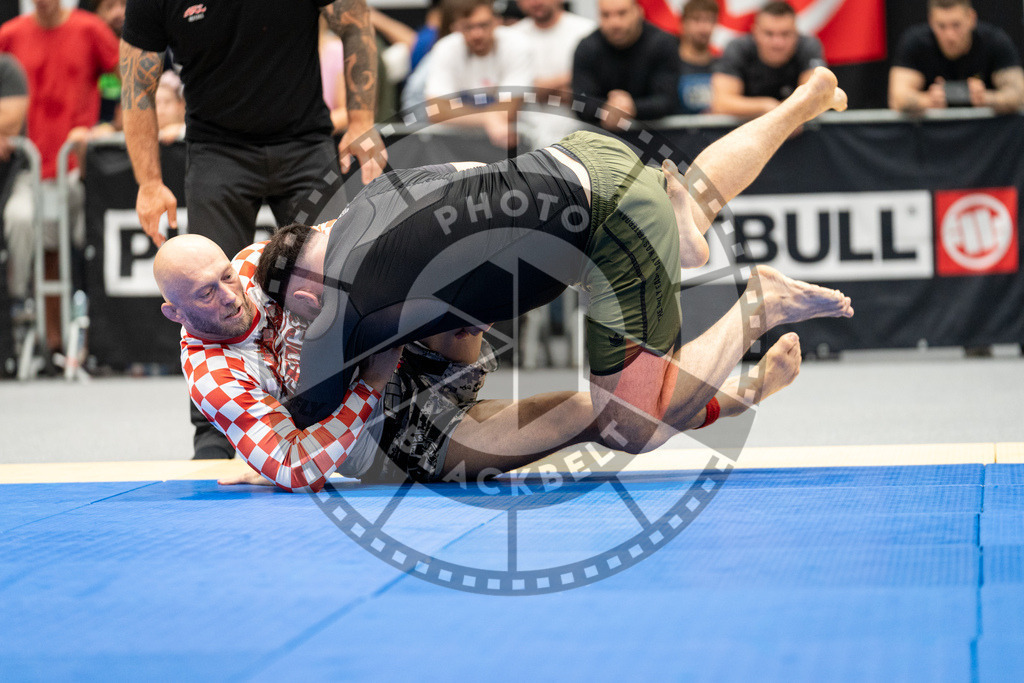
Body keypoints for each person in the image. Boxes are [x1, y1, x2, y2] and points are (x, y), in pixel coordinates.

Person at [264, 67, 853, 457]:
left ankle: (759, 304)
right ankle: (803, 101)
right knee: (691, 214)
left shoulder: (333, 299)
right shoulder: (371, 200)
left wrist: (263, 360)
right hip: (577, 157)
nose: (303, 321)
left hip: (607, 225)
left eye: (297, 312)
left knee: (631, 425)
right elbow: (470, 178)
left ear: (306, 296)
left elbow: (308, 411)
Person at [154, 227, 805, 491]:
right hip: (395, 440)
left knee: (450, 292)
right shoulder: (214, 376)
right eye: (206, 294)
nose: (232, 292)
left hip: (416, 363)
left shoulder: (251, 269)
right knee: (595, 414)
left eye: (226, 275)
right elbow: (298, 471)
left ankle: (596, 250)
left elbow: (343, 252)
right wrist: (369, 387)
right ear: (175, 313)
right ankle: (743, 371)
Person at [120, 0, 386, 460]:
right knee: (203, 293)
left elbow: (356, 22)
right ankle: (212, 432)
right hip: (215, 151)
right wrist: (148, 181)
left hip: (305, 142)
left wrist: (362, 120)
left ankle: (355, 414)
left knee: (339, 280)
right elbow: (135, 82)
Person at [0, 0, 119, 352]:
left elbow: (130, 77)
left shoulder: (89, 29)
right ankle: (21, 308)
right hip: (29, 168)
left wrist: (110, 126)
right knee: (18, 220)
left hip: (78, 168)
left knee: (83, 235)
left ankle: (85, 329)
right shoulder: (10, 34)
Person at [423, 0, 534, 149]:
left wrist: (459, 114)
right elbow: (436, 111)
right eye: (468, 27)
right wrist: (488, 118)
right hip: (457, 145)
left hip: (508, 144)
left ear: (497, 22)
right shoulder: (444, 48)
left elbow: (509, 110)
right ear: (455, 28)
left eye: (483, 25)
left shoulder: (517, 45)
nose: (477, 34)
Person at [888, 0, 1024, 114]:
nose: (950, 35)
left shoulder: (994, 41)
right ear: (931, 21)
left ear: (971, 18)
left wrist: (985, 97)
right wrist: (928, 100)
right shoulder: (916, 42)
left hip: (985, 137)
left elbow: (1019, 94)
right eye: (941, 26)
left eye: (956, 25)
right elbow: (897, 97)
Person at [572, 0, 680, 131]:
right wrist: (606, 110)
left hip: (658, 139)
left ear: (639, 12)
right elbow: (580, 102)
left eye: (622, 13)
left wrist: (631, 107)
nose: (614, 23)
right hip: (600, 142)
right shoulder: (587, 47)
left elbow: (667, 100)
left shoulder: (663, 44)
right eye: (606, 15)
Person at [710, 1, 824, 117]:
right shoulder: (738, 48)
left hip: (799, 132)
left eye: (785, 34)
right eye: (769, 34)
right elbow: (721, 103)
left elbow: (815, 97)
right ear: (755, 32)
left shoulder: (808, 47)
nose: (777, 43)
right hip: (746, 130)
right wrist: (766, 106)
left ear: (796, 33)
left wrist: (781, 112)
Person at [0, 52, 28, 330]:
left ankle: (18, 296)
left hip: (13, 177)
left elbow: (9, 121)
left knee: (19, 218)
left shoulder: (6, 67)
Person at [677, 0, 719, 115]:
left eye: (709, 20)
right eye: (696, 19)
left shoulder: (723, 65)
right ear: (683, 23)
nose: (704, 27)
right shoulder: (669, 63)